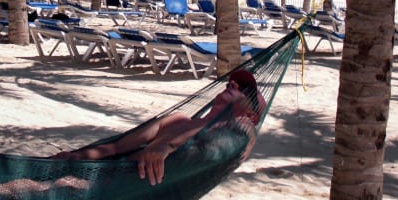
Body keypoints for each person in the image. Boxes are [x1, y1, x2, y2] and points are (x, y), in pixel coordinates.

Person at [53, 70, 266, 186]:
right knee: (49, 169)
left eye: (244, 89)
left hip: (121, 187)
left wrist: (169, 149)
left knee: (38, 188)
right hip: (103, 170)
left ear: (251, 114)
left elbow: (245, 140)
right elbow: (115, 148)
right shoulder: (177, 119)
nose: (233, 84)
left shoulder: (238, 131)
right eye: (232, 83)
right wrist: (76, 155)